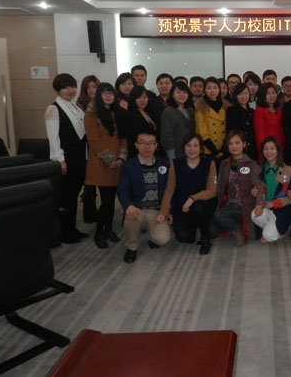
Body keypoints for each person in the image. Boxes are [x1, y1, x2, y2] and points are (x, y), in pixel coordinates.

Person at [44, 73, 87, 244]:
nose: (70, 90)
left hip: (78, 158)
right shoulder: (53, 109)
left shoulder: (74, 107)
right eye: (65, 87)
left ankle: (71, 228)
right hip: (66, 159)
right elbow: (53, 138)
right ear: (58, 89)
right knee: (66, 196)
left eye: (72, 86)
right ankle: (64, 232)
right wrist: (59, 160)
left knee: (73, 194)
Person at [118, 132, 174, 264]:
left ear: (156, 146)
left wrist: (167, 211)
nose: (147, 146)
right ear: (136, 145)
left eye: (151, 143)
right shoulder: (128, 166)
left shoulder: (164, 165)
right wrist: (129, 206)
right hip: (137, 209)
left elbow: (170, 190)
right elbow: (122, 190)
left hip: (157, 211)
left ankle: (151, 236)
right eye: (142, 143)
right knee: (131, 217)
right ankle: (132, 247)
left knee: (162, 239)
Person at [84, 82, 127, 249]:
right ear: (98, 96)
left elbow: (123, 137)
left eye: (111, 93)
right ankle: (99, 233)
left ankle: (108, 230)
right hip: (101, 163)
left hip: (118, 164)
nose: (108, 96)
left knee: (111, 201)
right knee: (107, 201)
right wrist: (111, 160)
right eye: (105, 93)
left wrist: (121, 158)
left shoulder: (117, 113)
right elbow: (94, 141)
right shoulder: (91, 115)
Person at [212, 131, 265, 246]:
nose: (234, 146)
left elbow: (259, 187)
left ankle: (237, 229)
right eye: (230, 143)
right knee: (211, 229)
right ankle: (236, 225)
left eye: (237, 143)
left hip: (244, 206)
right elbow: (219, 187)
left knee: (218, 215)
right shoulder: (224, 164)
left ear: (244, 144)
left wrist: (259, 205)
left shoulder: (252, 164)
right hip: (228, 205)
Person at [169, 133, 218, 255]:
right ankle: (194, 225)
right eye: (188, 145)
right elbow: (169, 190)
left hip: (204, 204)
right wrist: (166, 211)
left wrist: (192, 198)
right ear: (183, 147)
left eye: (196, 146)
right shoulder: (175, 164)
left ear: (201, 148)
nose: (192, 149)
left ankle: (206, 239)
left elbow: (212, 191)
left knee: (198, 207)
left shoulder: (209, 163)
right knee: (184, 237)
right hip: (182, 206)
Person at [250, 137, 291, 242]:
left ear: (278, 150)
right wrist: (255, 192)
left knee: (268, 236)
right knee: (254, 215)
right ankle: (272, 228)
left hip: (281, 209)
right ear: (262, 151)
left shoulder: (288, 170)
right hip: (266, 206)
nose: (269, 152)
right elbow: (258, 189)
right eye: (266, 149)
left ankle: (276, 230)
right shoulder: (259, 169)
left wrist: (274, 204)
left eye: (272, 148)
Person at [76, 74, 100, 224]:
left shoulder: (102, 103)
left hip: (99, 145)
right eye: (88, 87)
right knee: (89, 181)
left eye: (94, 87)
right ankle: (89, 214)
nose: (91, 90)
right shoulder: (79, 105)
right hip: (86, 146)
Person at [195, 76, 231, 160]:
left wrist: (223, 150)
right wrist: (215, 151)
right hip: (207, 150)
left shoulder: (226, 106)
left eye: (215, 87)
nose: (212, 91)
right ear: (204, 90)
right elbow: (202, 131)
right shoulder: (200, 106)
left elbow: (229, 129)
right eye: (209, 88)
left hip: (225, 149)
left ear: (219, 90)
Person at [160, 81, 195, 159]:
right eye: (178, 92)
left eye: (184, 92)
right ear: (172, 94)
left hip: (191, 152)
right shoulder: (168, 112)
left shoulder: (190, 110)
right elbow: (166, 136)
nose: (182, 95)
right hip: (176, 154)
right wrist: (172, 157)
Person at [125, 86, 159, 159]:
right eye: (139, 98)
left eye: (144, 97)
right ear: (133, 99)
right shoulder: (130, 114)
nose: (142, 100)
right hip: (137, 152)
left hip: (152, 151)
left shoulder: (150, 112)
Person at [254, 82, 284, 161]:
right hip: (267, 151)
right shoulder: (259, 111)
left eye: (274, 93)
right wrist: (263, 152)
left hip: (280, 149)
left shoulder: (279, 110)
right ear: (263, 95)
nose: (272, 96)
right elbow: (259, 135)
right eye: (268, 94)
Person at [226, 83, 257, 159]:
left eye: (246, 93)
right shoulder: (231, 111)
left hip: (252, 149)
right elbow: (230, 132)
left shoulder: (252, 111)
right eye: (240, 94)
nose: (243, 96)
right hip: (238, 149)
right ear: (235, 95)